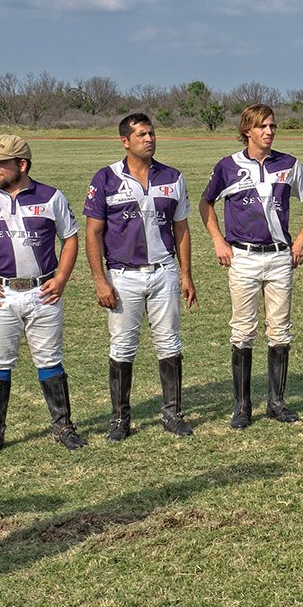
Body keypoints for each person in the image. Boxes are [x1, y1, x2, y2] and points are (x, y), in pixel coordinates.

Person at [0, 135, 85, 455]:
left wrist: (62, 278)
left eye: (0, 163)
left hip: (43, 293)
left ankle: (63, 426)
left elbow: (70, 238)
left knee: (50, 361)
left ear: (22, 165)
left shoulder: (51, 196)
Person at [200, 104, 303, 429]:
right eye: (262, 126)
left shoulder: (289, 164)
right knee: (243, 330)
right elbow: (205, 203)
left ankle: (277, 403)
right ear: (247, 131)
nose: (269, 131)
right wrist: (218, 240)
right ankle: (242, 406)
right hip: (243, 257)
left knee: (280, 329)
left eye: (272, 126)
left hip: (280, 256)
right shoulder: (228, 166)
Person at [85, 113, 199, 439]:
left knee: (169, 343)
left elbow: (182, 229)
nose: (149, 139)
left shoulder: (172, 176)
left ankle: (173, 414)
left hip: (164, 271)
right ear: (125, 141)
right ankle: (120, 419)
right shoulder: (105, 179)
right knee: (122, 347)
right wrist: (99, 279)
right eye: (141, 135)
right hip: (123, 276)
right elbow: (93, 234)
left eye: (151, 134)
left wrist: (186, 274)